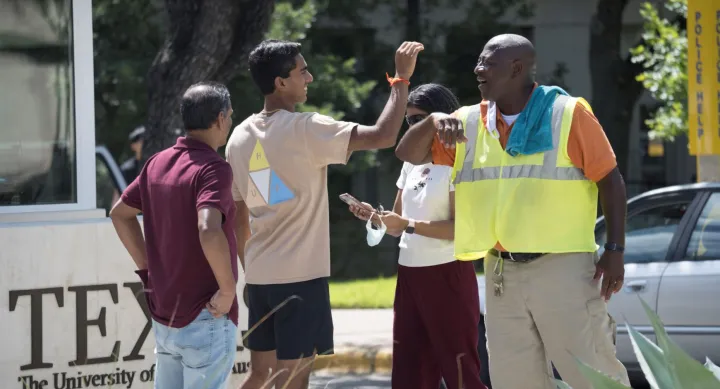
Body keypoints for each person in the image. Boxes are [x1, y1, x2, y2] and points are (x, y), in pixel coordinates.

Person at [395, 34, 630, 389]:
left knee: (592, 375)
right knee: (513, 380)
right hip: (501, 270)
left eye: (487, 62)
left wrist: (614, 250)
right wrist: (433, 120)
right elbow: (408, 155)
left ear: (516, 68)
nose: (478, 69)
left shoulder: (567, 115)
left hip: (562, 267)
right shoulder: (467, 122)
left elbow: (611, 182)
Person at [226, 39, 424, 389]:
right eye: (302, 71)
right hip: (300, 279)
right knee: (294, 378)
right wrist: (402, 79)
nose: (311, 78)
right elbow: (384, 135)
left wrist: (250, 272)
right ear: (280, 82)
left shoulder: (238, 138)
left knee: (260, 375)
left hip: (258, 278)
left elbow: (240, 218)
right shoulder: (306, 128)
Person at [347, 83, 487, 389]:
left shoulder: (458, 158)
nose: (413, 127)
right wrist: (374, 216)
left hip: (448, 272)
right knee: (410, 372)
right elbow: (397, 222)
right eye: (409, 121)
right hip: (410, 274)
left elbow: (459, 227)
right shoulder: (411, 162)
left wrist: (408, 224)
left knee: (461, 371)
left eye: (419, 119)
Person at [109, 82, 238, 389]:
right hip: (205, 314)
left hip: (166, 315)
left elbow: (119, 214)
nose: (230, 123)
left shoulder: (157, 162)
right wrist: (228, 289)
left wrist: (148, 271)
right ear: (220, 119)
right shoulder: (214, 168)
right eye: (231, 116)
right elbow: (208, 228)